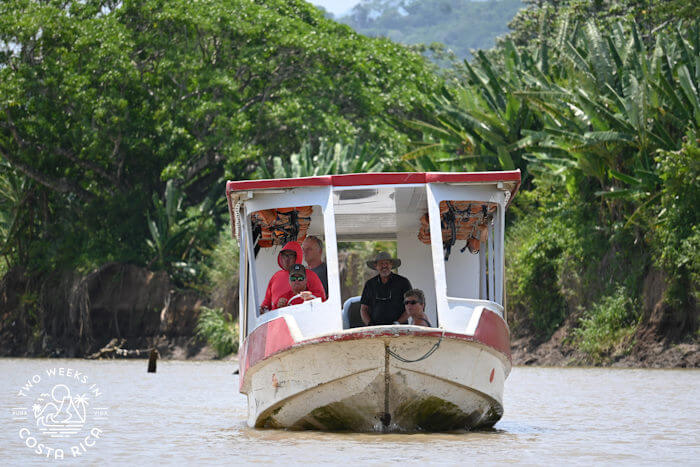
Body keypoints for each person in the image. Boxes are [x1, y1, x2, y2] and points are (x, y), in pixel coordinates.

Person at [260, 241, 326, 313]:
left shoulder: (310, 275)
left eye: (290, 255)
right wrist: (263, 308)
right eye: (284, 255)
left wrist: (307, 297)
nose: (286, 259)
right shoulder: (276, 276)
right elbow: (267, 302)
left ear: (298, 256)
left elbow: (322, 298)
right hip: (281, 320)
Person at [360, 252, 412, 326]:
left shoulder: (403, 282)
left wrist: (397, 324)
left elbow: (410, 306)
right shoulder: (370, 284)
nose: (384, 266)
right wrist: (370, 325)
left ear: (391, 265)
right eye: (381, 263)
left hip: (399, 329)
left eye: (387, 263)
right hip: (376, 330)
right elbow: (363, 309)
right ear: (376, 266)